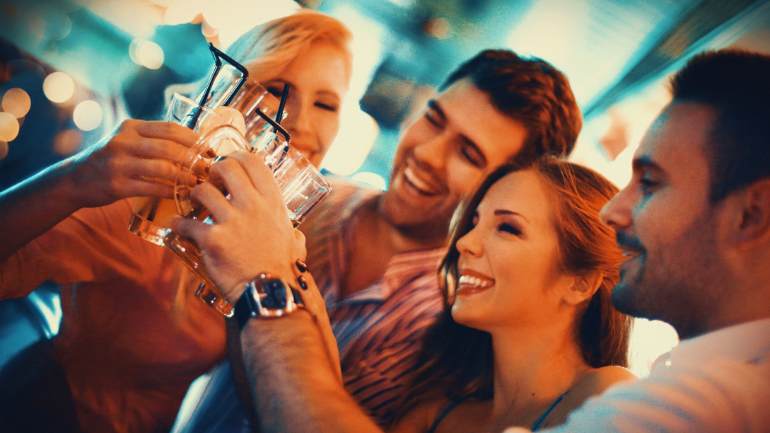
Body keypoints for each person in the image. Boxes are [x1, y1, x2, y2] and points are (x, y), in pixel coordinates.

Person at [183, 48, 770, 433]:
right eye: (434, 119)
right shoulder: (444, 407)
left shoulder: (662, 403)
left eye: (652, 182)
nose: (618, 212)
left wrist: (266, 287)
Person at [178, 48, 584, 431]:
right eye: (434, 119)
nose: (426, 153)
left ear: (504, 188)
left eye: (469, 154)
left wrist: (255, 282)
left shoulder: (459, 325)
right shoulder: (316, 198)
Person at [0, 10, 352, 433]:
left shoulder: (284, 237)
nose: (301, 124)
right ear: (234, 99)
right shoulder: (147, 207)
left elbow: (264, 401)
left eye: (326, 104)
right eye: (279, 89)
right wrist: (76, 178)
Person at [389, 159, 634, 432]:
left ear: (579, 283)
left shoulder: (607, 392)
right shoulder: (433, 414)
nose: (464, 243)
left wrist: (330, 394)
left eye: (507, 228)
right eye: (475, 222)